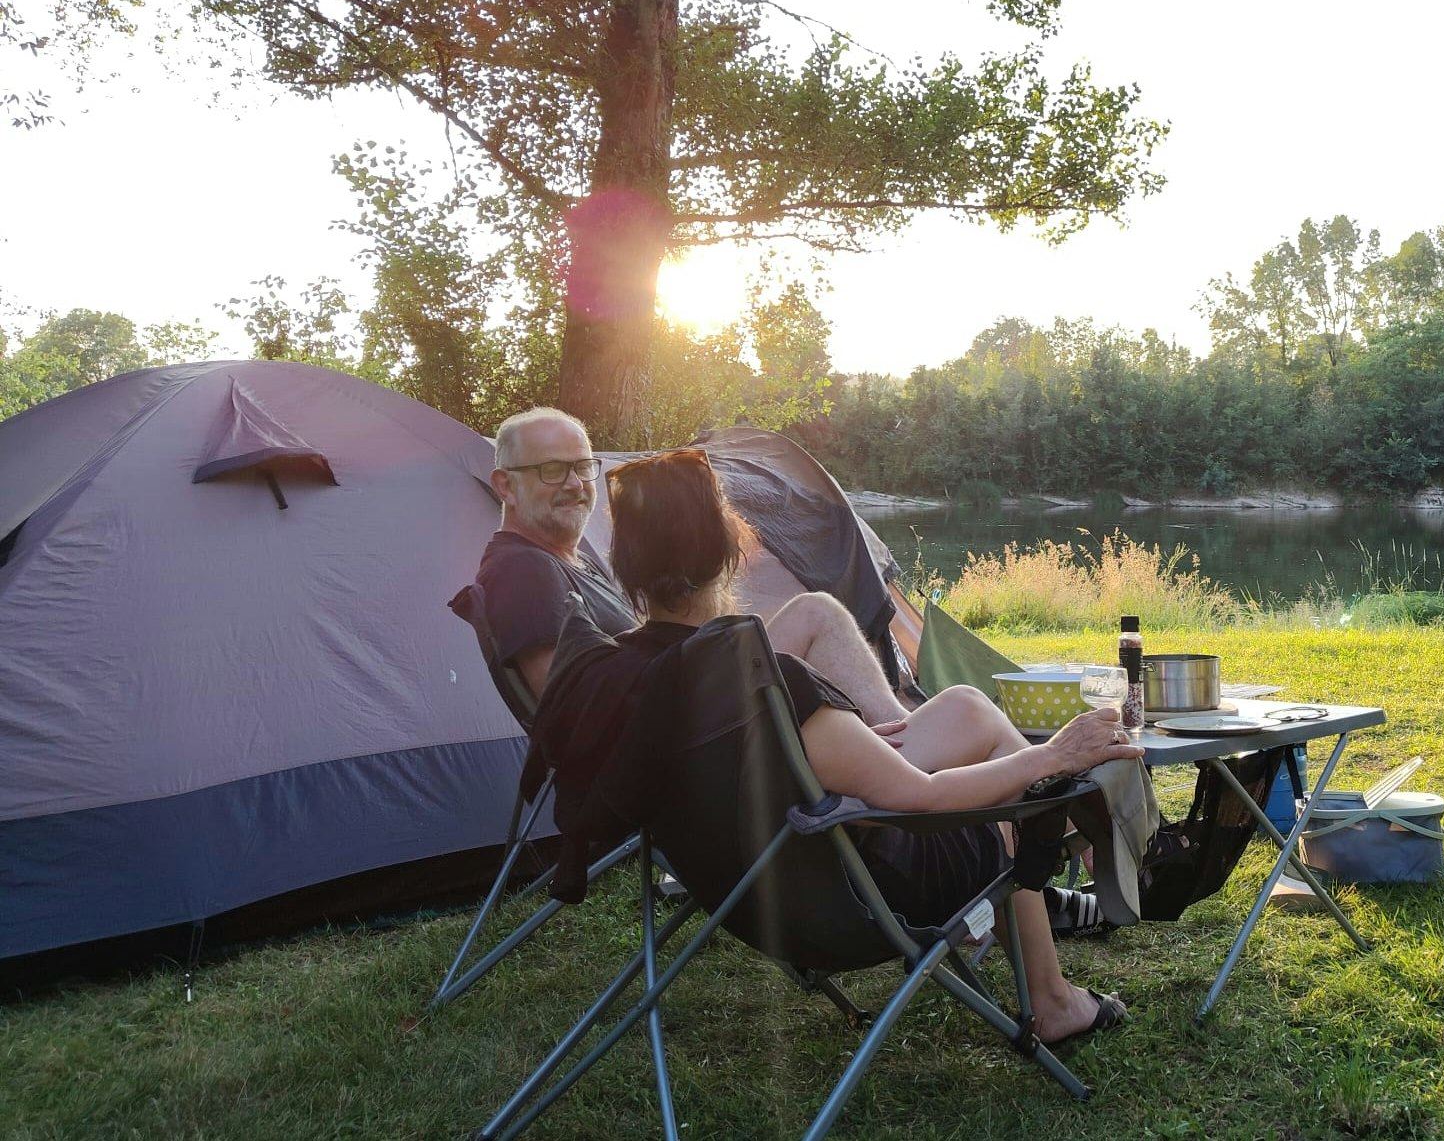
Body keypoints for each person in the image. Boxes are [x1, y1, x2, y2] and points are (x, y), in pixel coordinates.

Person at [602, 447, 1140, 1044]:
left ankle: (1078, 835)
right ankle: (1055, 990)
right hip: (857, 892)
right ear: (729, 546)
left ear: (625, 563)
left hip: (759, 891)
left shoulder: (634, 674)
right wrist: (1053, 755)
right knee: (1014, 796)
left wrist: (843, 744)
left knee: (963, 705)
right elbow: (925, 799)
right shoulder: (767, 684)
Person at [475, 407, 909, 723]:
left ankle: (891, 744)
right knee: (816, 614)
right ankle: (902, 744)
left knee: (784, 623)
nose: (574, 484)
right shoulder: (521, 569)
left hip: (682, 717)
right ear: (505, 486)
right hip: (677, 737)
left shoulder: (566, 562)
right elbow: (569, 709)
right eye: (552, 470)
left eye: (584, 468)